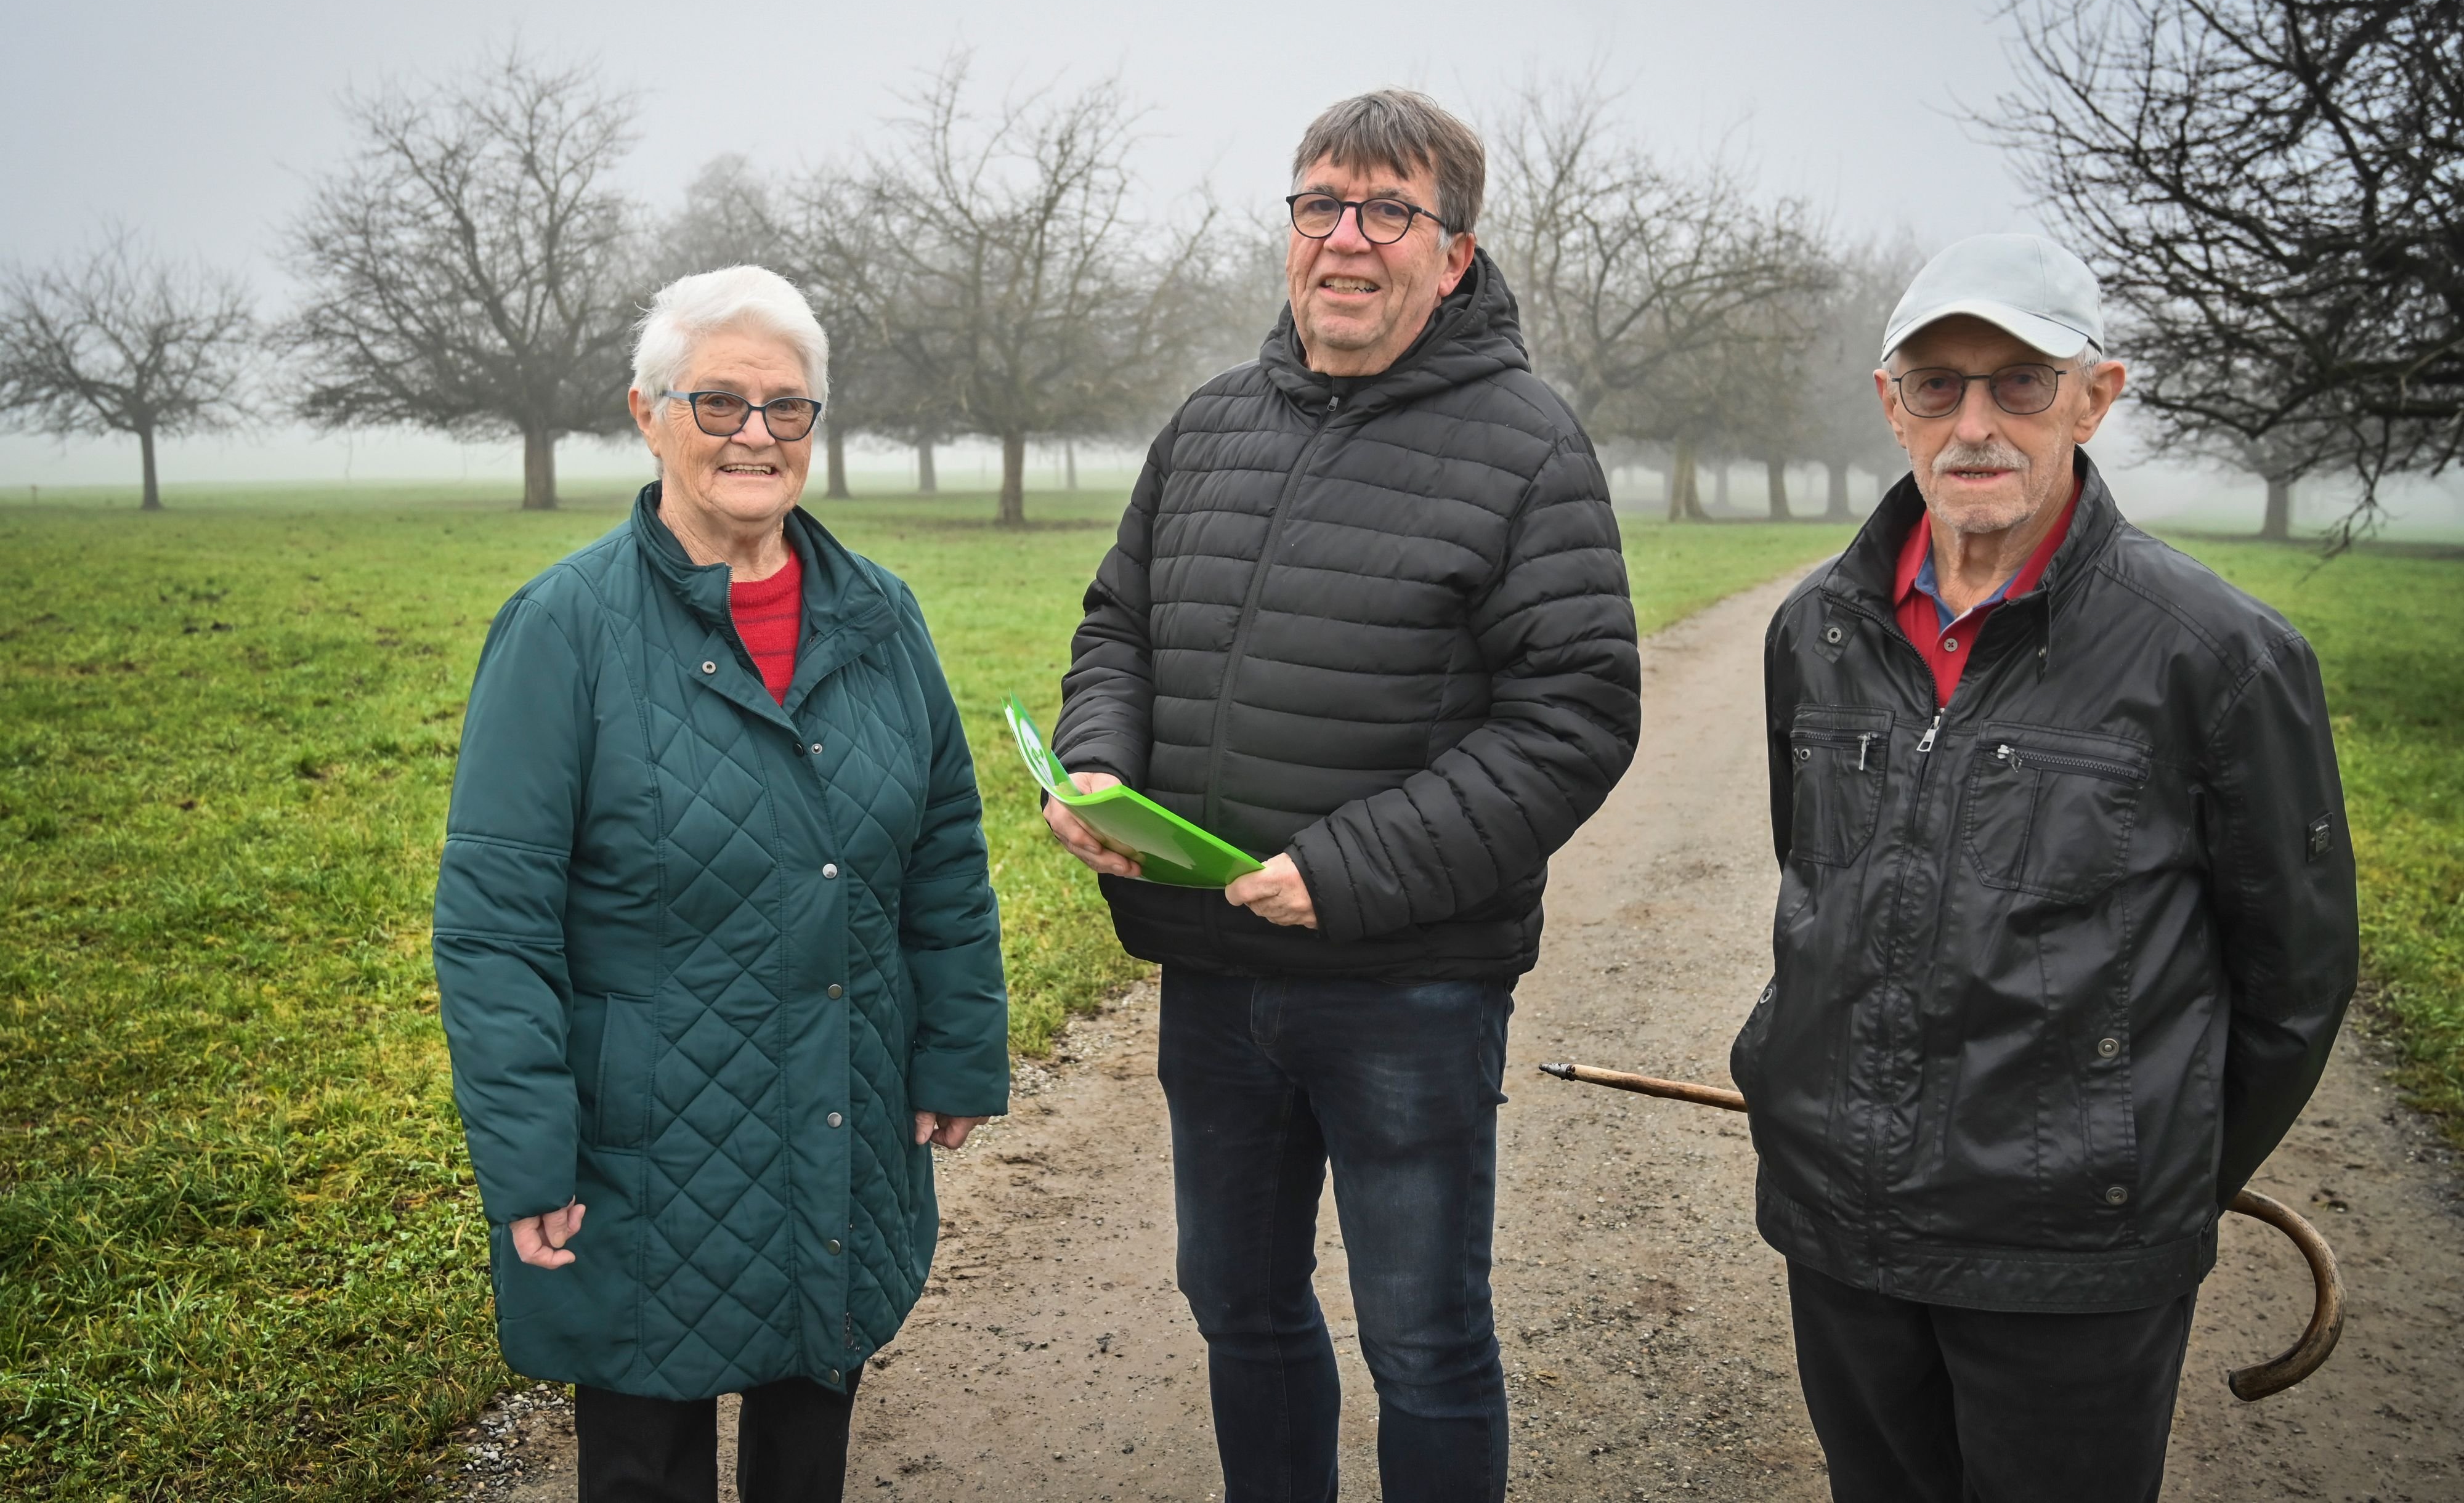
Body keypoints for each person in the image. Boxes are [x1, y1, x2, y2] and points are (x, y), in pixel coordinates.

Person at [1043, 88, 1641, 1503]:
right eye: (1319, 204)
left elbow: (1574, 717)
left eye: (1389, 210)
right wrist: (1098, 757)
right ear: (1290, 229)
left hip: (1407, 984)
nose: (1347, 239)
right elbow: (1115, 622)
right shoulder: (1207, 425)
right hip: (1213, 967)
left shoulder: (1527, 445)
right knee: (1236, 1305)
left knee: (1425, 1337)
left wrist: (1350, 867)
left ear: (1453, 251)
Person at [1736, 233, 2360, 1502]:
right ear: (1888, 404)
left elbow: (2292, 984)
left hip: (2069, 1256)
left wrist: (2137, 1170)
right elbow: (1812, 885)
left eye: (2018, 382)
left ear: (2095, 394)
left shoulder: (2219, 654)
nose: (1974, 422)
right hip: (1838, 1226)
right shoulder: (1817, 626)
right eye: (1936, 384)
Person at [431, 265, 1008, 1503]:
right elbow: (494, 922)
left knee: (811, 1418)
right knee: (648, 1461)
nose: (755, 433)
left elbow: (944, 853)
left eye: (785, 407)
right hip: (643, 1143)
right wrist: (529, 1151)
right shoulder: (563, 630)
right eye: (719, 402)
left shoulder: (880, 620)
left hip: (841, 1113)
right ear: (647, 414)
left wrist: (956, 1047)